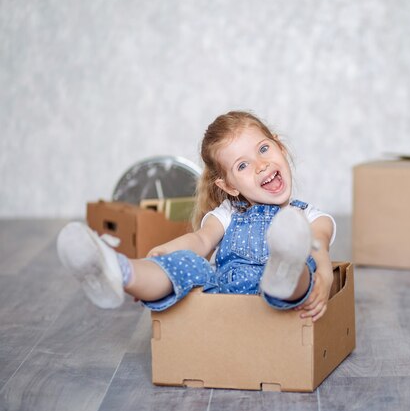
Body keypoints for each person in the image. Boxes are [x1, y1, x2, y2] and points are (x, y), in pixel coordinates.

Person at [56, 111, 336, 322]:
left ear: (280, 147)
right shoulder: (227, 214)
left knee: (301, 270)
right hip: (223, 294)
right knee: (186, 265)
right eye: (242, 165)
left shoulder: (307, 215)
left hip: (280, 293)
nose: (261, 165)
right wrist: (165, 253)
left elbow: (320, 243)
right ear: (229, 186)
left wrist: (324, 274)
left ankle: (285, 265)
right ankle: (117, 269)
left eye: (263, 149)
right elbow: (200, 241)